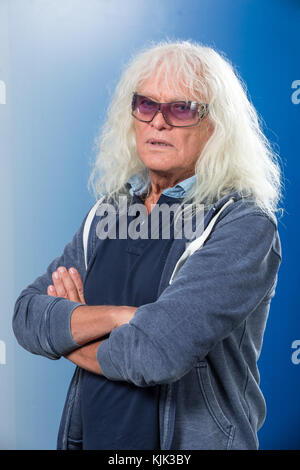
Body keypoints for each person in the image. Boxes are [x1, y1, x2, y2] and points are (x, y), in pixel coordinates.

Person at [13, 40, 282, 450]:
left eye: (181, 108)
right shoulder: (109, 212)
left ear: (216, 126)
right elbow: (28, 315)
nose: (158, 122)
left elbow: (156, 353)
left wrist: (69, 333)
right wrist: (124, 316)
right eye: (146, 105)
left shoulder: (243, 225)